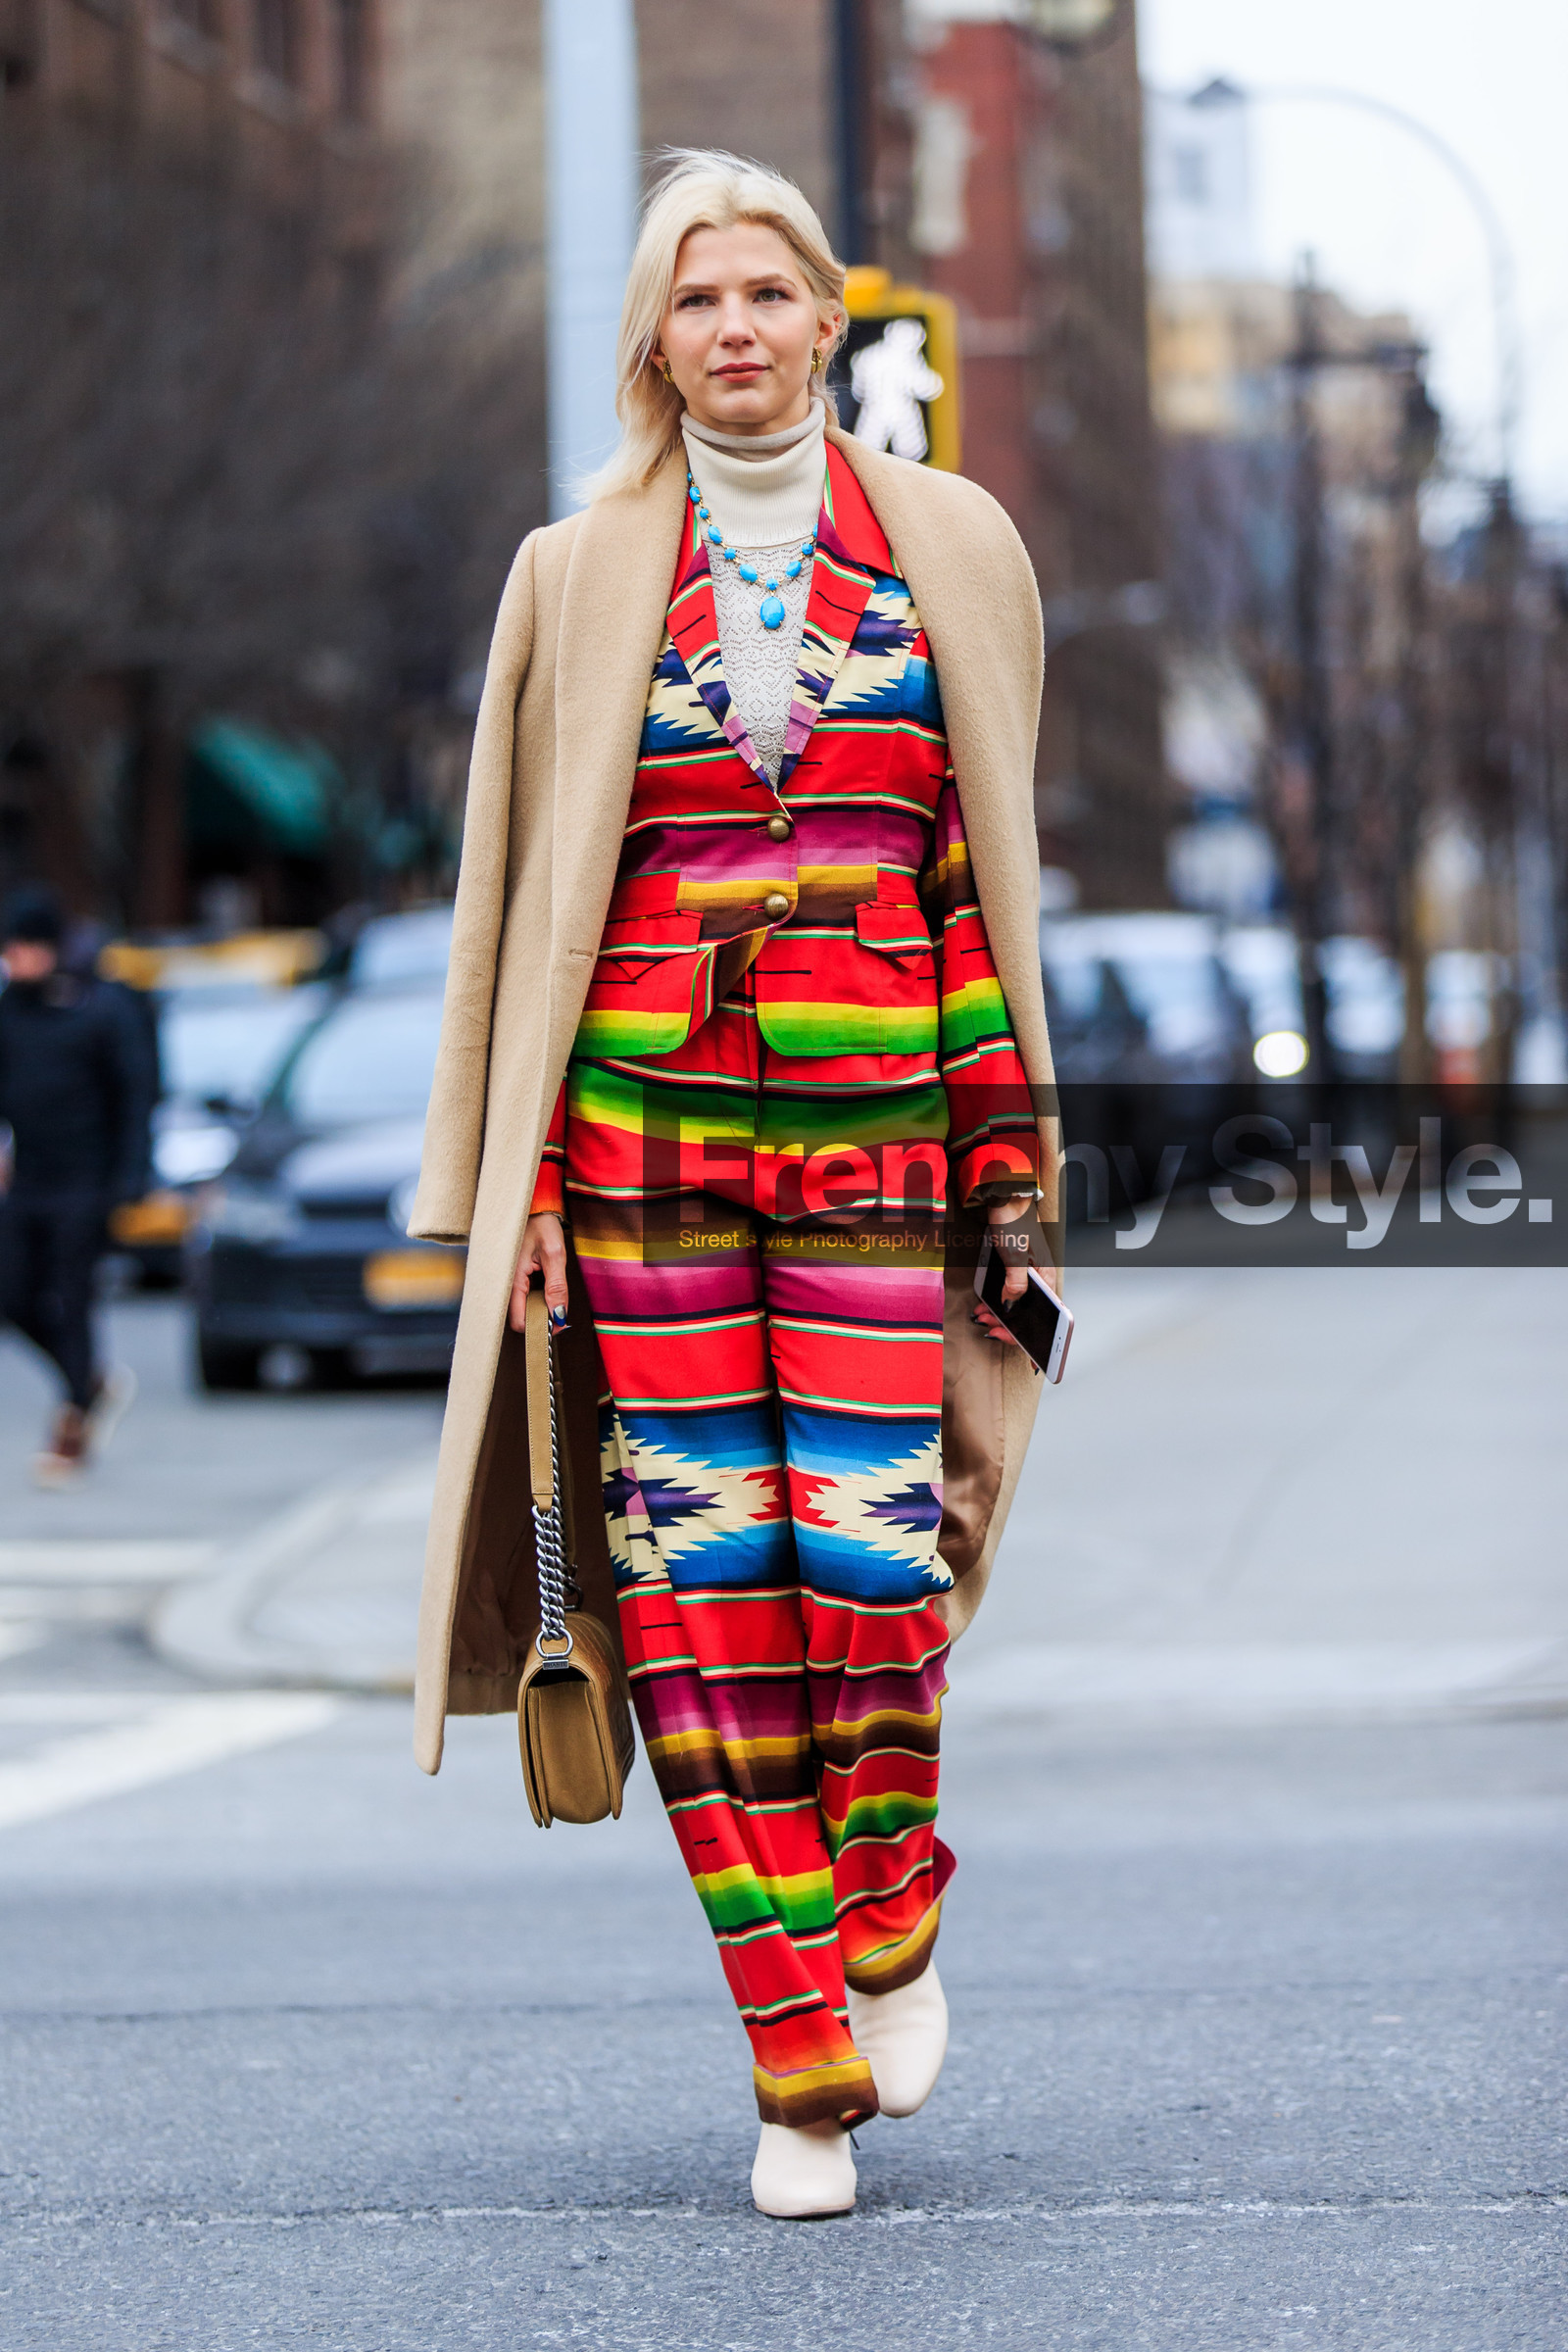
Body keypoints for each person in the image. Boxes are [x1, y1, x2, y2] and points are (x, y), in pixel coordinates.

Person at [408, 150, 1057, 2220]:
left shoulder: (951, 541)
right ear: (652, 334)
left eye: (772, 292)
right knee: (701, 1587)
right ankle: (795, 2062)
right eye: (700, 300)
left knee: (867, 1561)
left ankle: (884, 1917)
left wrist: (1005, 1156)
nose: (740, 331)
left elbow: (982, 879)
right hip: (635, 1147)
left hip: (876, 1137)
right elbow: (509, 905)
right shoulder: (570, 569)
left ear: (827, 319)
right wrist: (495, 1190)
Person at [0, 886, 151, 1485]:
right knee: (11, 1296)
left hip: (86, 1181)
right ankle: (87, 1380)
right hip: (27, 1181)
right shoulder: (8, 1011)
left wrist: (129, 1179)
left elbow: (133, 1095)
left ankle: (71, 1427)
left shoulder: (100, 1008)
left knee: (71, 1296)